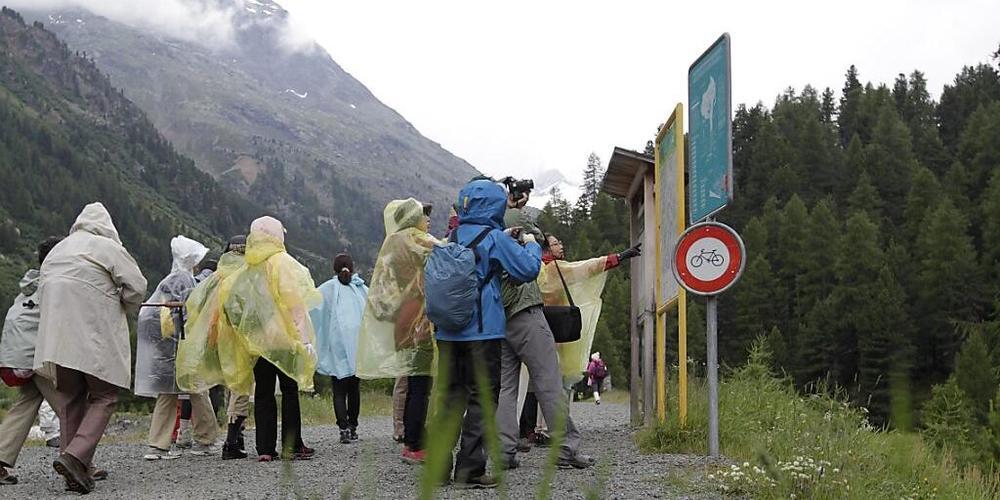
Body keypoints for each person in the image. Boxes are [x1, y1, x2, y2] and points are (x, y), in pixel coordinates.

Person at [432, 179, 543, 488]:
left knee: (450, 398)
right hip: (482, 333)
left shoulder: (452, 235)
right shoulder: (494, 238)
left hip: (448, 333)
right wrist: (531, 244)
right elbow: (527, 269)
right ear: (495, 206)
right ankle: (469, 471)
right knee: (481, 399)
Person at [33, 203, 147, 494]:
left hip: (57, 338)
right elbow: (136, 287)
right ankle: (75, 456)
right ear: (108, 227)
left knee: (70, 397)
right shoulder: (107, 247)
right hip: (94, 334)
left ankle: (76, 470)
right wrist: (122, 303)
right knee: (104, 395)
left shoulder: (58, 250)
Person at [495, 203, 595, 471]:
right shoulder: (517, 228)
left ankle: (503, 451)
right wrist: (528, 232)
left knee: (505, 388)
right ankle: (566, 449)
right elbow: (537, 243)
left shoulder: (491, 236)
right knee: (548, 381)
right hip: (526, 313)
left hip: (500, 320)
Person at [220, 217, 320, 462]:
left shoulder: (249, 265)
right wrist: (304, 338)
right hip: (284, 339)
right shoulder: (282, 262)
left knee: (263, 391)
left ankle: (264, 448)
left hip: (258, 341)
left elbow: (233, 301)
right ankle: (292, 445)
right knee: (289, 390)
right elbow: (294, 301)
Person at [356, 199, 438, 464]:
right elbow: (448, 251)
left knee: (411, 382)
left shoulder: (391, 242)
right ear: (413, 218)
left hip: (401, 319)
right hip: (418, 318)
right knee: (420, 385)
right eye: (423, 216)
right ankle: (415, 443)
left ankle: (410, 438)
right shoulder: (415, 239)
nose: (427, 220)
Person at [134, 235, 218, 461]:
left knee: (167, 394)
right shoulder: (185, 280)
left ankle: (157, 446)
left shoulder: (167, 280)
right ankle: (205, 440)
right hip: (182, 345)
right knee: (198, 390)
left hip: (165, 345)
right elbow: (192, 313)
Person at [177, 235, 252, 460]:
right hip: (240, 338)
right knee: (240, 388)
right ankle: (233, 440)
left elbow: (195, 303)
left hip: (215, 338)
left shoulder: (216, 276)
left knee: (225, 385)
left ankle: (230, 437)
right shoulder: (247, 275)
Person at [0, 238, 62, 485]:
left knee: (26, 403)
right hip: (35, 356)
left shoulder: (31, 284)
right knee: (69, 404)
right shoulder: (55, 284)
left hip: (15, 355)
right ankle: (81, 462)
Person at [310, 253, 368, 444]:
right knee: (354, 388)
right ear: (352, 268)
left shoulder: (327, 289)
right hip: (357, 344)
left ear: (334, 269)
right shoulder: (360, 288)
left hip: (336, 344)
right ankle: (353, 426)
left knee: (339, 388)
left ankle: (343, 428)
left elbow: (312, 308)